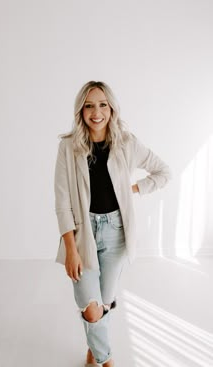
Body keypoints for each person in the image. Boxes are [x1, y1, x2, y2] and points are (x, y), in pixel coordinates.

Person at [54, 81, 172, 366]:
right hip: (83, 235)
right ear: (81, 110)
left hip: (116, 232)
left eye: (103, 104)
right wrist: (70, 248)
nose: (97, 112)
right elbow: (62, 201)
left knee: (104, 303)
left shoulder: (127, 143)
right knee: (91, 308)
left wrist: (132, 190)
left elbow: (163, 171)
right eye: (89, 105)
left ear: (111, 108)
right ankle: (106, 360)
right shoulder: (68, 147)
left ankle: (94, 349)